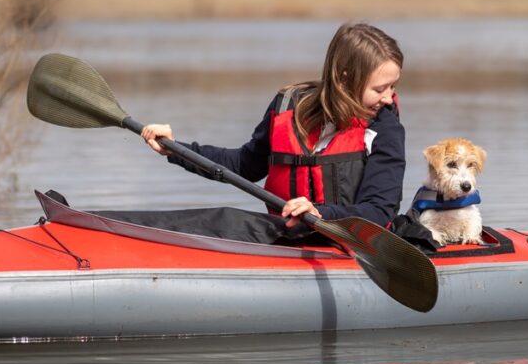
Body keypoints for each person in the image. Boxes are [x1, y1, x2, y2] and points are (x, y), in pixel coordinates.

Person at [141, 22, 405, 229]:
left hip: (348, 244)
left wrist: (319, 213)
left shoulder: (385, 127)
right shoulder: (287, 107)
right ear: (345, 80)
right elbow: (244, 165)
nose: (388, 97)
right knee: (220, 219)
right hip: (285, 235)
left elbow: (378, 211)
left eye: (393, 86)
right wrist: (175, 149)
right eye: (380, 88)